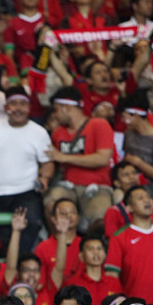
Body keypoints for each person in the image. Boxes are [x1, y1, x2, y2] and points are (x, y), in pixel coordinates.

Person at [0, 87, 53, 250]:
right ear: (6, 108)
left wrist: (44, 177)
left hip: (26, 192)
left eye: (23, 104)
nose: (18, 108)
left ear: (29, 108)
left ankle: (19, 265)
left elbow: (47, 162)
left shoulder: (39, 132)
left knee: (31, 224)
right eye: (14, 104)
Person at [45, 86, 116, 229]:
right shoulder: (58, 132)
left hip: (97, 186)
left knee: (99, 217)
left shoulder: (99, 124)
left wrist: (65, 158)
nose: (56, 115)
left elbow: (102, 158)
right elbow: (52, 159)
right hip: (68, 186)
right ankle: (58, 246)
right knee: (51, 203)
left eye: (56, 110)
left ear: (66, 108)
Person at [105, 186, 153, 304]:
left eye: (148, 197)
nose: (147, 200)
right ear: (129, 207)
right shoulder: (119, 237)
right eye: (140, 198)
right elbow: (111, 275)